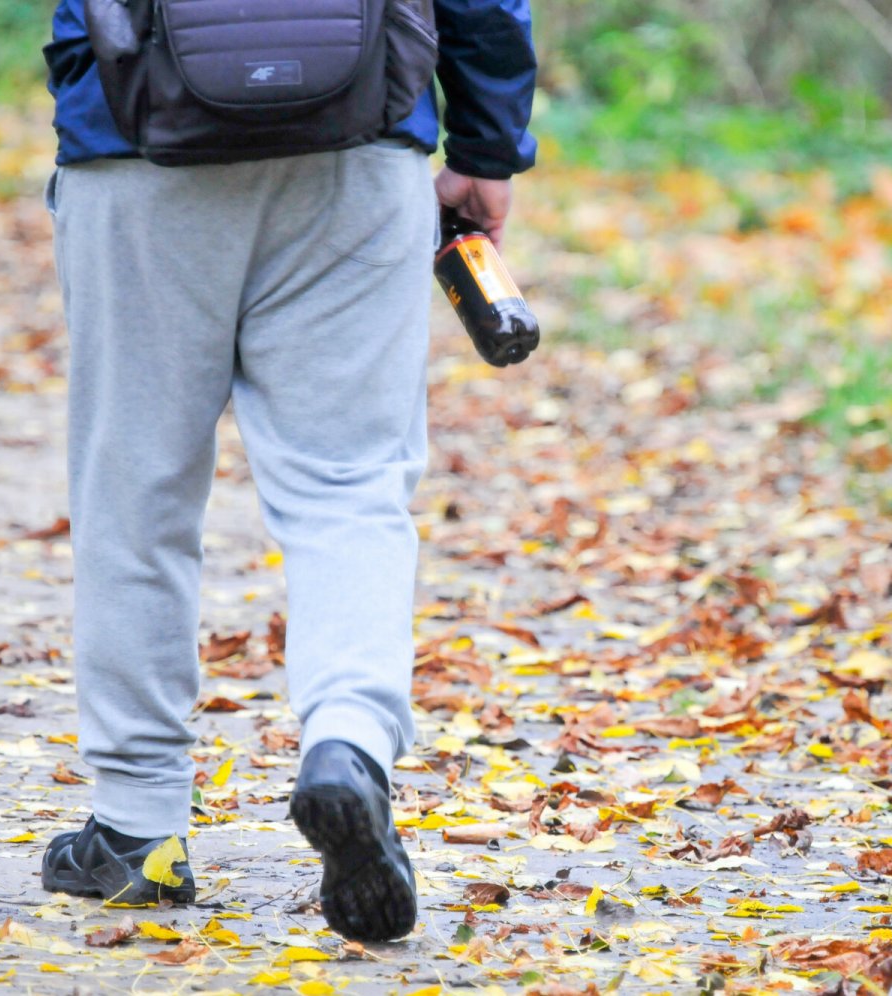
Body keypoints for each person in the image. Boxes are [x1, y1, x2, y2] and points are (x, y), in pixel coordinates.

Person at [35, 0, 537, 943]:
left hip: (137, 145)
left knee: (134, 492)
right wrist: (487, 145)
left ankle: (140, 829)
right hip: (358, 144)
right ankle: (346, 742)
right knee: (349, 486)